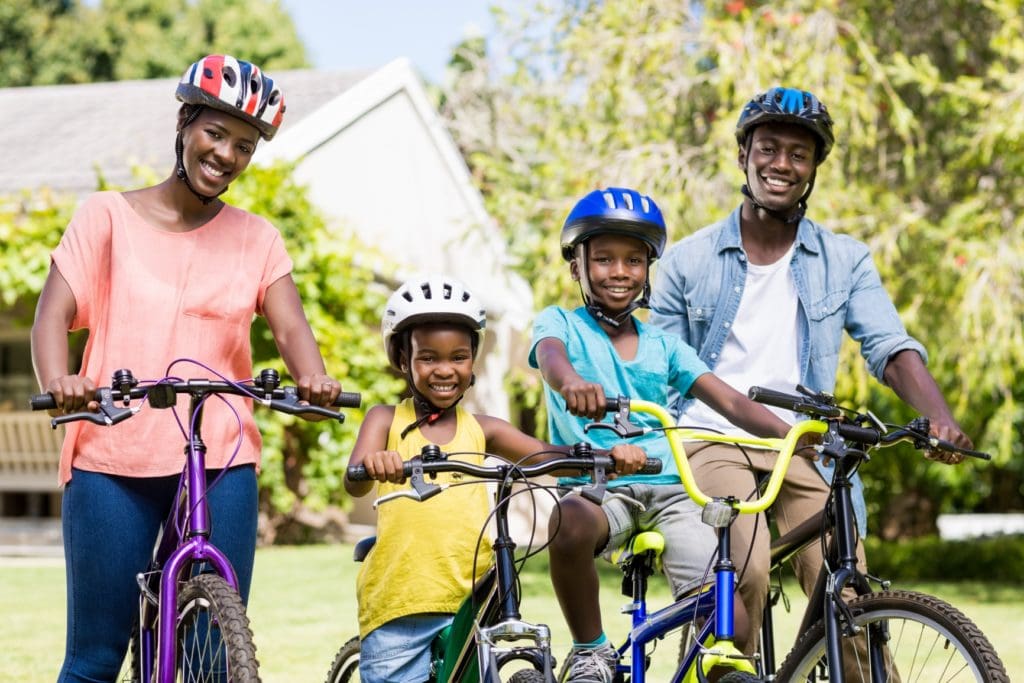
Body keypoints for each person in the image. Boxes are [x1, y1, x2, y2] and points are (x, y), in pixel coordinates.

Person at [31, 54, 343, 682]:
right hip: (111, 456)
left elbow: (290, 329)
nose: (227, 153)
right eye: (216, 132)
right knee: (95, 656)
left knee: (207, 657)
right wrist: (60, 383)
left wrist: (314, 376)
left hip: (220, 457)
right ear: (185, 123)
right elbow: (49, 317)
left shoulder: (259, 239)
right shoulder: (106, 218)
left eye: (244, 145)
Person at [648, 86, 972, 654]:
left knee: (846, 589)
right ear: (743, 155)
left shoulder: (844, 259)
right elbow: (666, 370)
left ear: (814, 167)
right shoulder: (688, 260)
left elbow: (890, 347)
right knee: (741, 572)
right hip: (709, 438)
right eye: (768, 148)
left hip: (803, 444)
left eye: (798, 154)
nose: (781, 164)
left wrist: (939, 417)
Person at [530, 187, 807, 683]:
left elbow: (731, 401)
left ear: (648, 269)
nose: (620, 272)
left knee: (729, 618)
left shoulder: (664, 346)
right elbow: (551, 359)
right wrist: (571, 383)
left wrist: (795, 435)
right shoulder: (561, 325)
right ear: (577, 266)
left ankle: (709, 665)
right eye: (606, 259)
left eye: (634, 260)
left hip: (672, 488)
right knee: (568, 523)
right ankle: (591, 651)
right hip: (598, 485)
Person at [345, 274, 646, 683]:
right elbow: (356, 478)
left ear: (472, 362)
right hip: (402, 605)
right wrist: (377, 462)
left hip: (475, 601)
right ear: (402, 360)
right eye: (428, 357)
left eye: (458, 357)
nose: (444, 370)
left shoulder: (484, 429)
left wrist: (609, 458)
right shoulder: (385, 419)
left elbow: (549, 456)